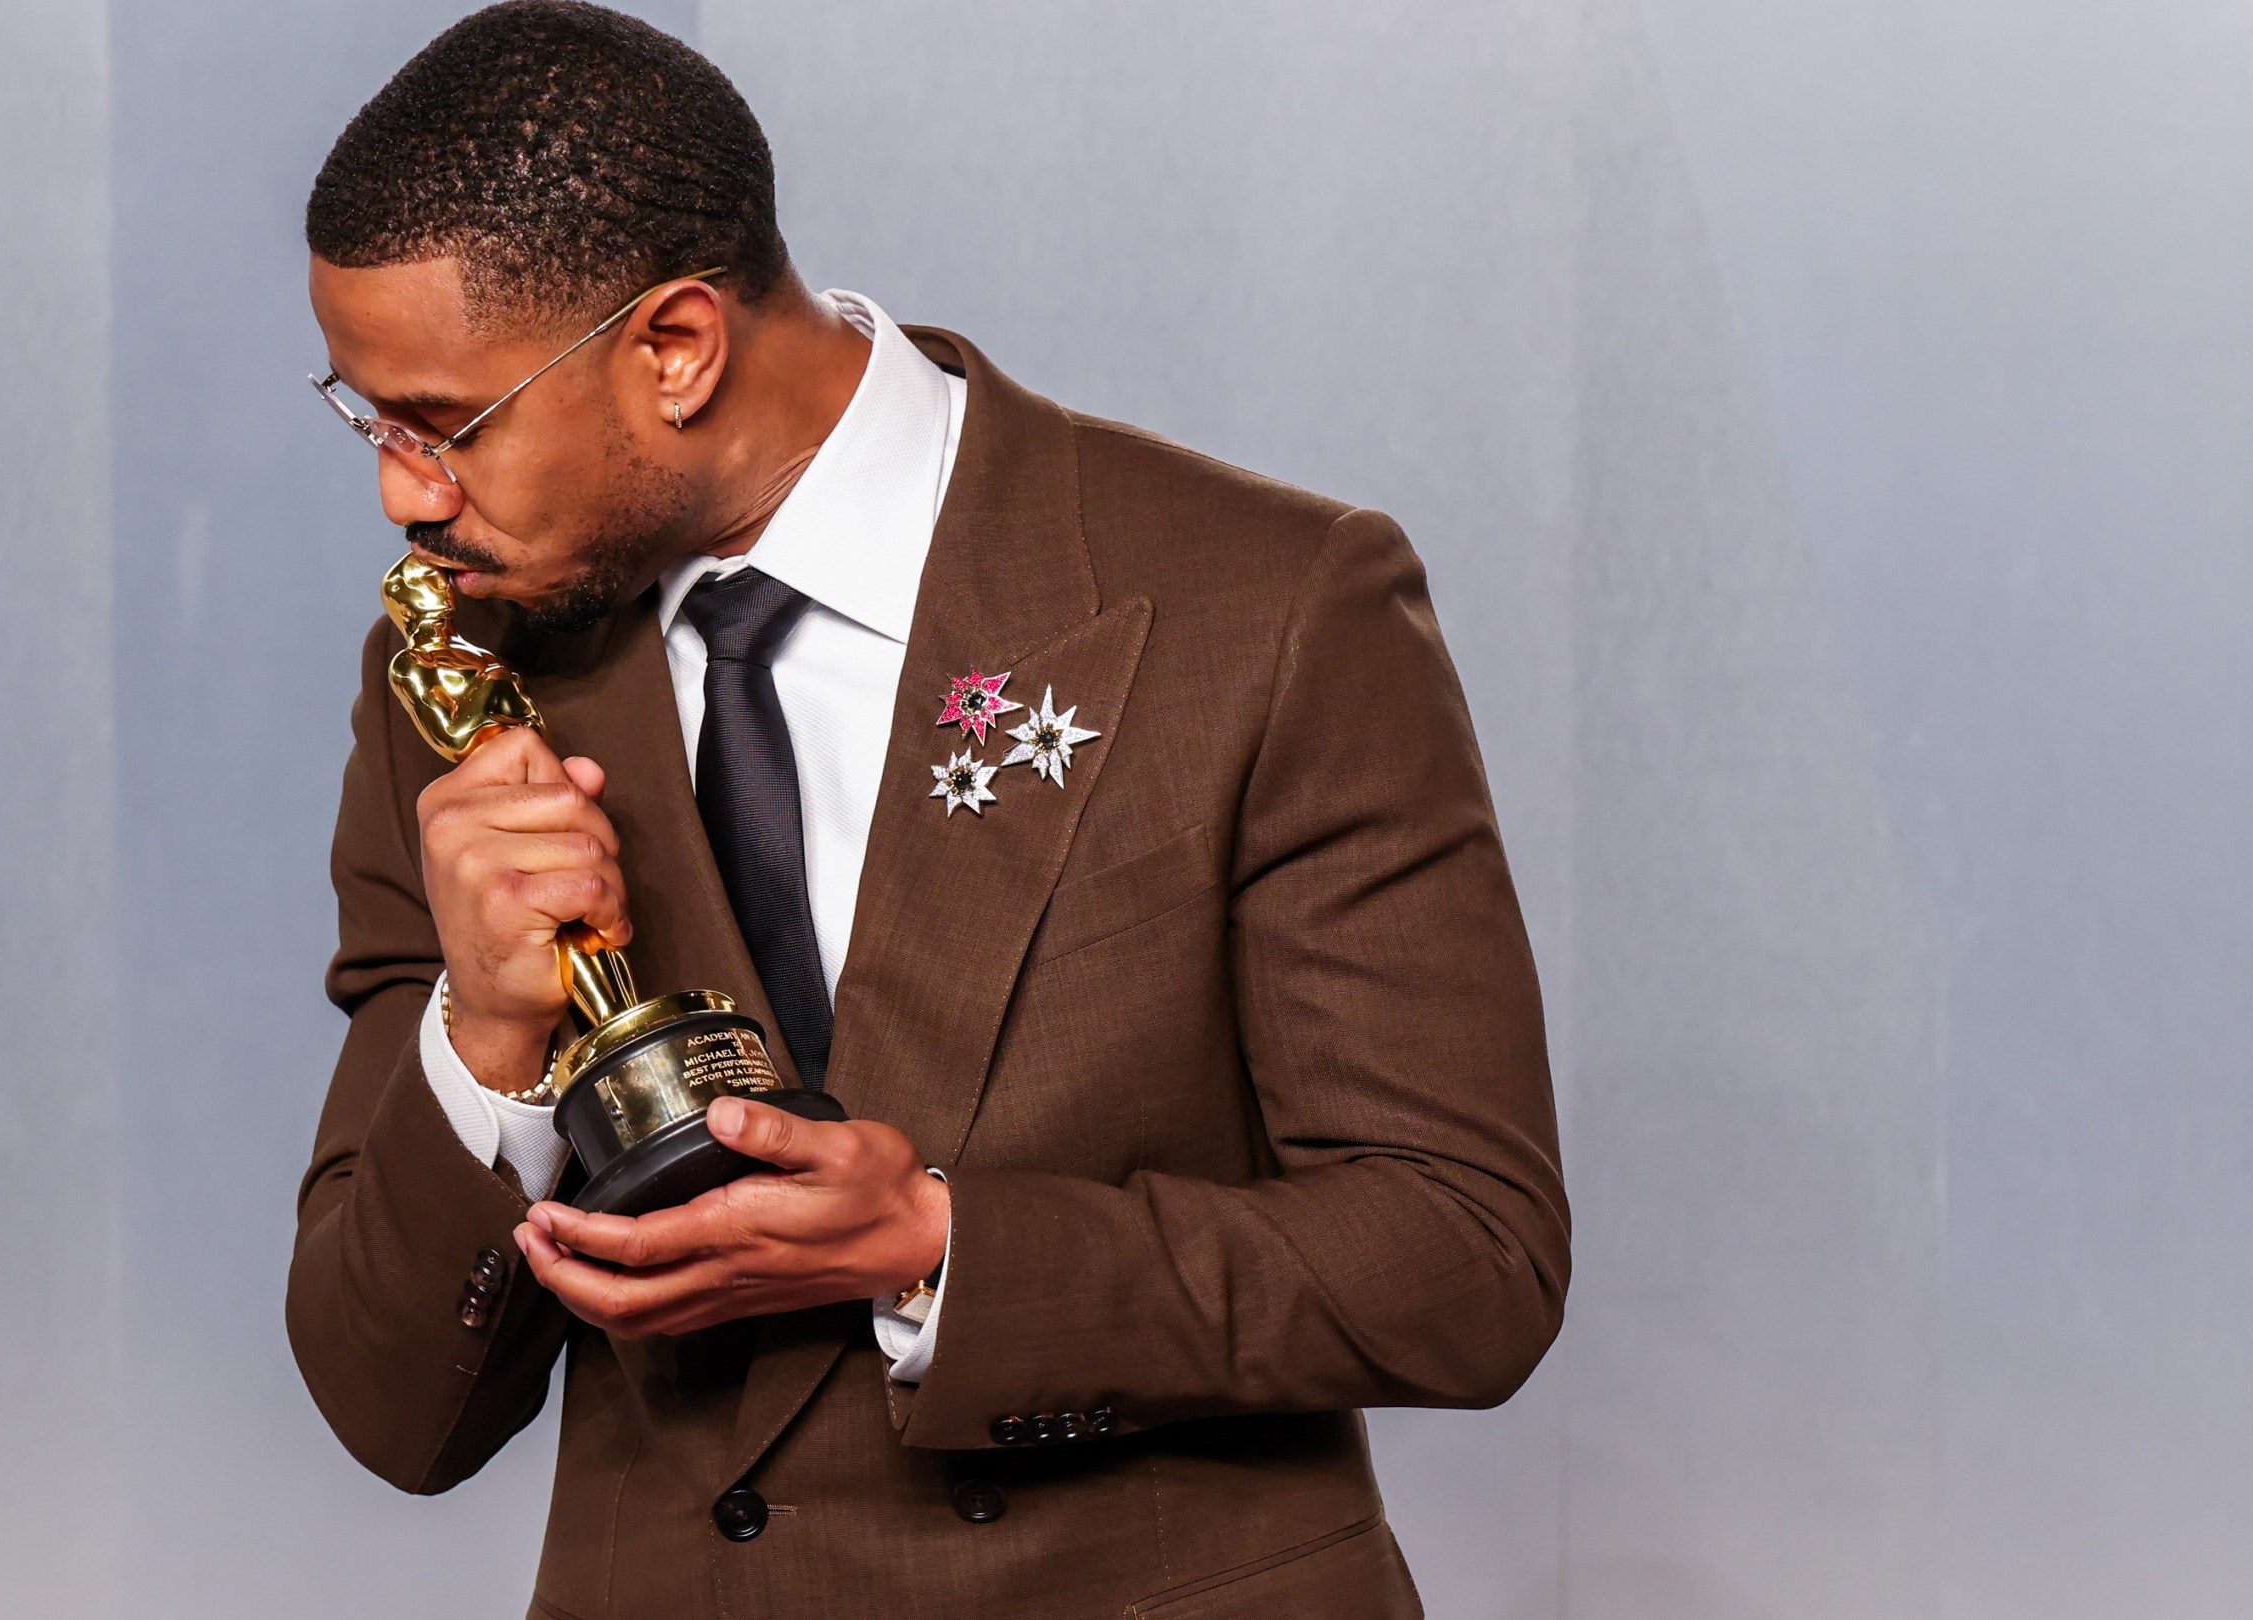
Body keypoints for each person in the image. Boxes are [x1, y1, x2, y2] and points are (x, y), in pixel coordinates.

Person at [286, 5, 1569, 1614]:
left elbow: (1467, 1260)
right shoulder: (466, 668)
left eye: (445, 426)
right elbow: (386, 1404)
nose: (406, 495)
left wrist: (939, 1247)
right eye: (368, 421)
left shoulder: (1273, 604)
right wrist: (481, 1044)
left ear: (674, 350)